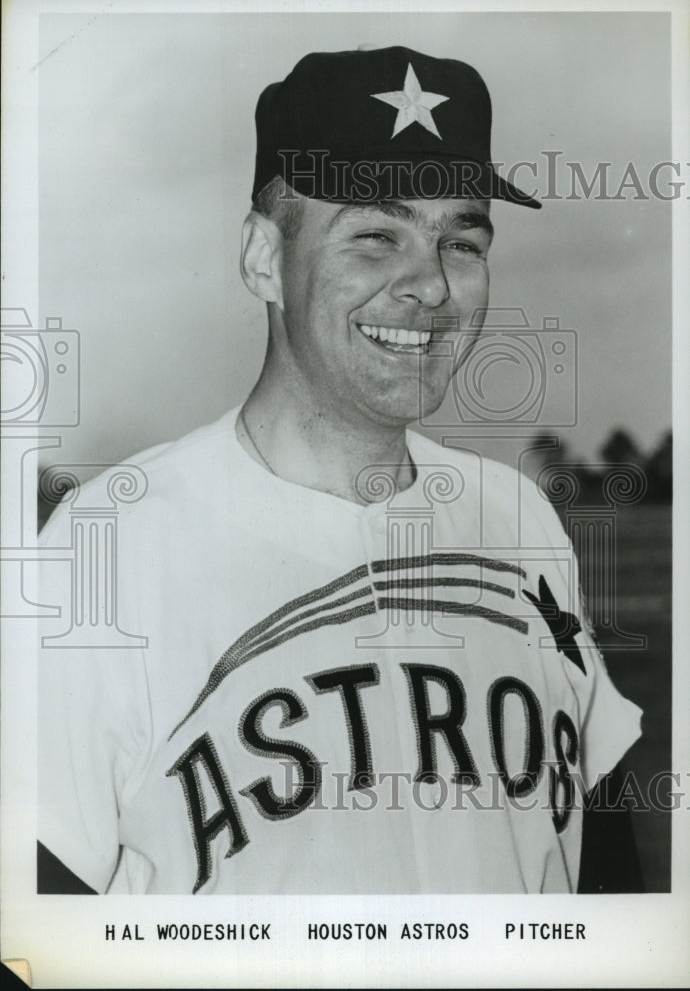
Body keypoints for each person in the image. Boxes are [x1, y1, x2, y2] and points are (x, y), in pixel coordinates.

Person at [38, 46, 642, 895]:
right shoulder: (110, 546)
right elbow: (28, 931)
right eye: (374, 235)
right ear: (261, 258)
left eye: (461, 240)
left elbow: (605, 877)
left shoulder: (520, 521)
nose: (430, 286)